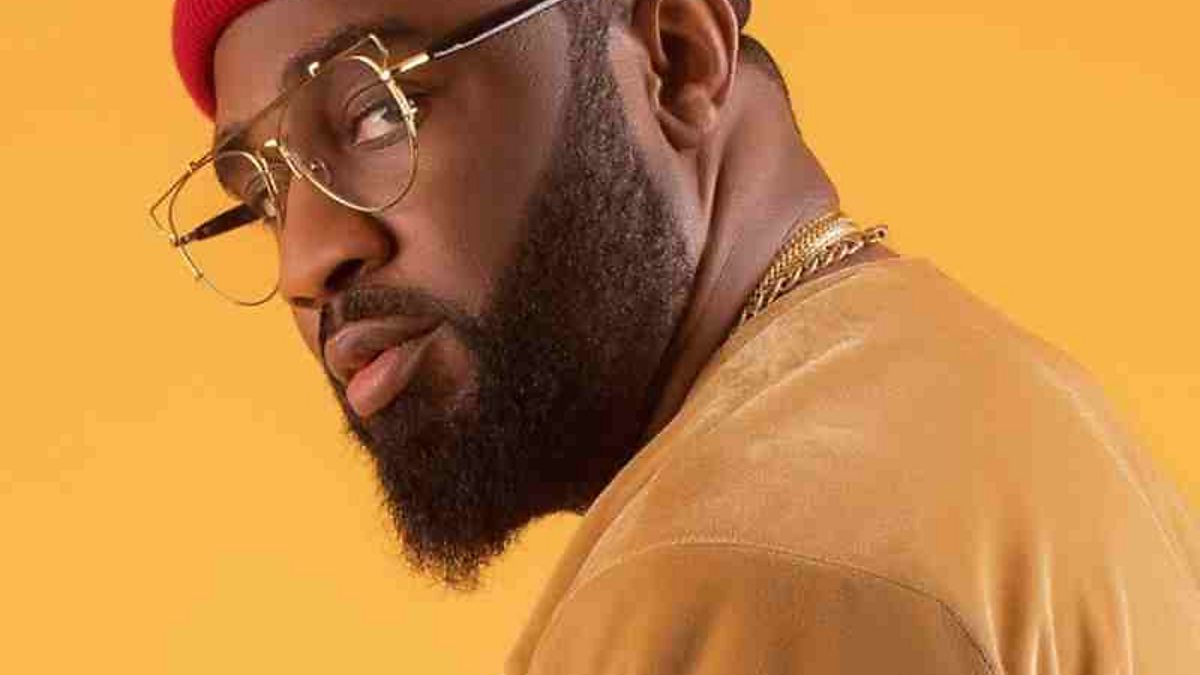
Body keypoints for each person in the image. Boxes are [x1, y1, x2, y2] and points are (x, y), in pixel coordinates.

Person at [153, 0, 1200, 672]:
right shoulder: (1016, 413)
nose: (307, 259)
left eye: (380, 112)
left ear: (676, 58)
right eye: (261, 196)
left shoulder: (739, 580)